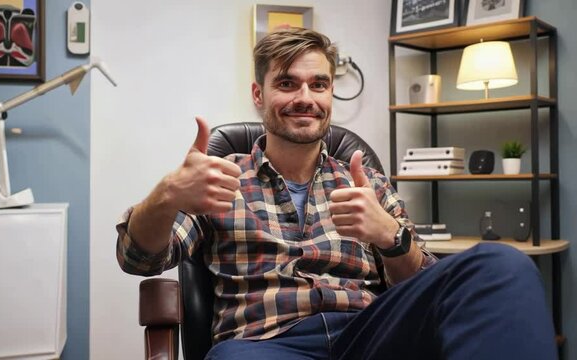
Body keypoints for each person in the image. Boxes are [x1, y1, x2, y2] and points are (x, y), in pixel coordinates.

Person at [116, 28, 557, 359]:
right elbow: (139, 258)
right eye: (287, 83)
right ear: (259, 94)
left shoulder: (362, 181)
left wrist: (390, 236)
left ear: (330, 93)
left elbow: (420, 282)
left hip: (368, 335)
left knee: (502, 264)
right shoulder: (220, 179)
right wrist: (168, 193)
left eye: (319, 84)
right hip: (266, 344)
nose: (305, 97)